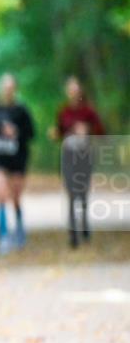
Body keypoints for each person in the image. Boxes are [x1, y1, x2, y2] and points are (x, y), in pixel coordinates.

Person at [54, 76, 106, 248]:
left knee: (82, 191)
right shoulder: (63, 111)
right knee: (70, 191)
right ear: (67, 92)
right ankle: (72, 232)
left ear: (80, 91)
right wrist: (56, 133)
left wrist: (87, 129)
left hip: (84, 154)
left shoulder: (89, 112)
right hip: (68, 154)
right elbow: (59, 132)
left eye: (76, 89)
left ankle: (84, 225)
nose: (73, 93)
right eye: (70, 89)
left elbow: (101, 133)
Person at [0, 74, 35, 253]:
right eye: (4, 86)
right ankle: (4, 236)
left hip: (17, 159)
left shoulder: (22, 111)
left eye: (10, 87)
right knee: (1, 195)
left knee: (15, 196)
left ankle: (20, 228)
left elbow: (31, 134)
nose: (7, 90)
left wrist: (16, 132)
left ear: (15, 89)